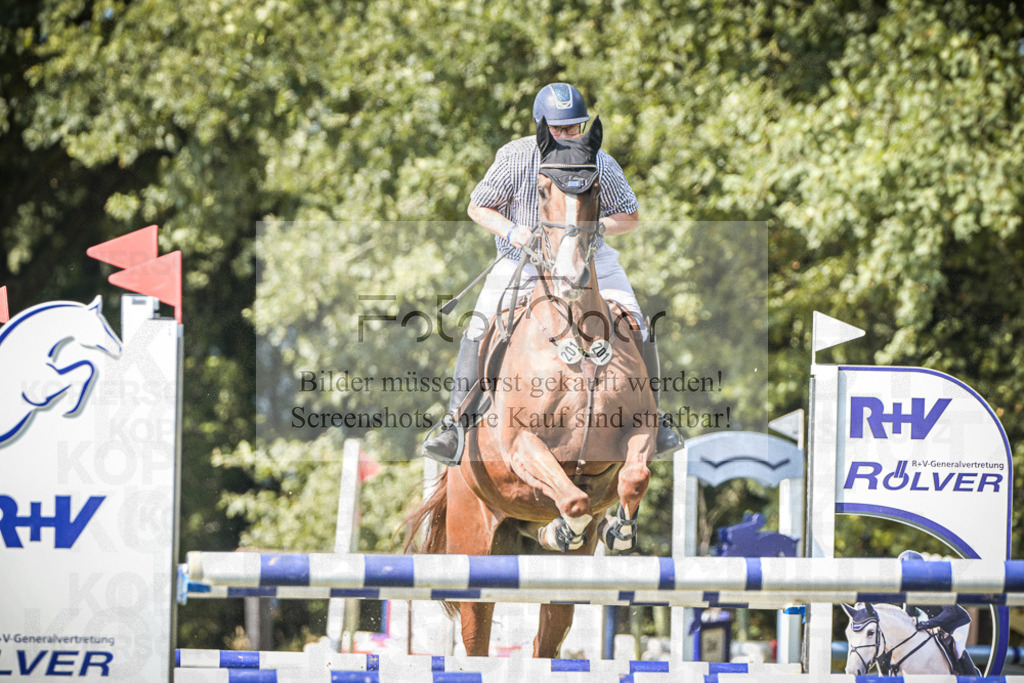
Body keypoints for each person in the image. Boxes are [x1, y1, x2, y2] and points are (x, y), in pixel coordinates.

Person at [422, 82, 679, 463]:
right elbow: (478, 207)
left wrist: (595, 229)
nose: (566, 135)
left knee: (638, 322)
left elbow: (630, 216)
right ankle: (453, 423)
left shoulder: (599, 162)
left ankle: (657, 419)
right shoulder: (515, 157)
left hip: (589, 258)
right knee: (478, 325)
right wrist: (512, 230)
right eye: (558, 129)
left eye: (574, 128)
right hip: (521, 260)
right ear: (542, 127)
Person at [898, 550, 981, 675]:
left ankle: (974, 678)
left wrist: (927, 624)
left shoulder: (936, 585)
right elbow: (908, 615)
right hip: (937, 624)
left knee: (957, 650)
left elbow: (951, 612)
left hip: (958, 623)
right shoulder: (909, 589)